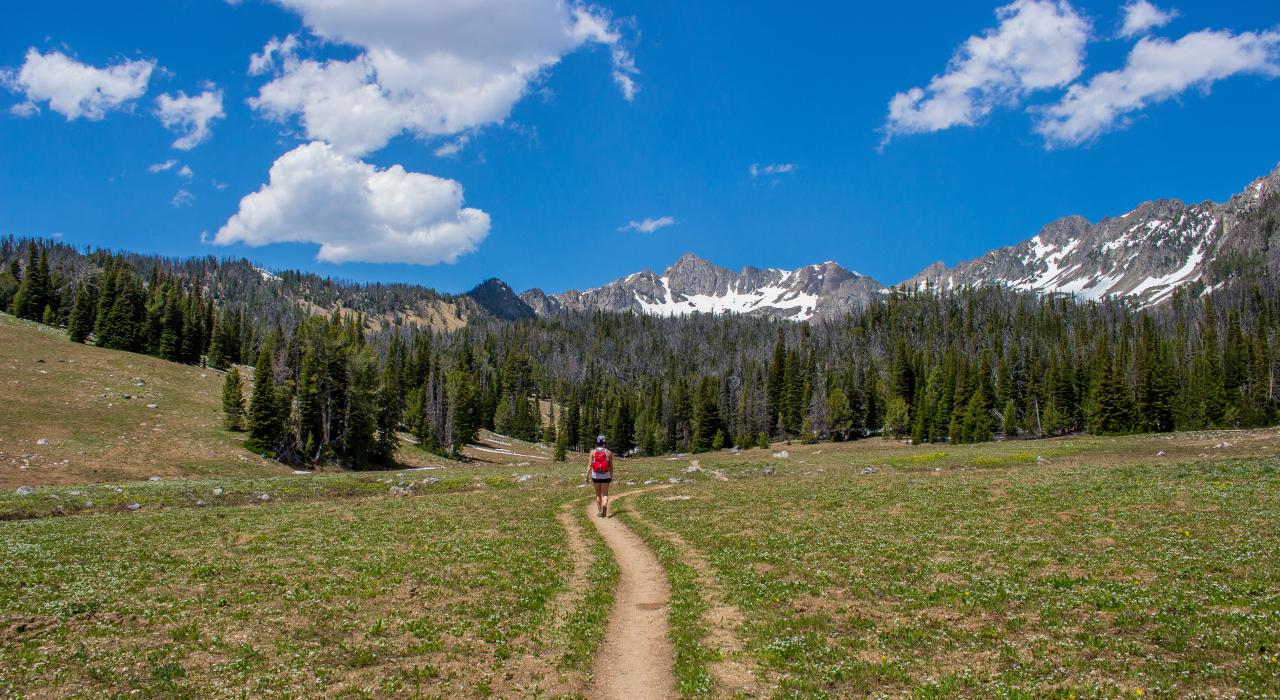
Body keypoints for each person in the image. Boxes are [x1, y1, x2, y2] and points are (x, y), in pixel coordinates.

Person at [586, 434, 614, 517]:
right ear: (605, 442)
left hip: (596, 476)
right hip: (606, 476)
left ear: (597, 442)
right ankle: (604, 505)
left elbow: (590, 465)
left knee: (598, 494)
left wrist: (586, 475)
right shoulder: (609, 452)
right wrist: (611, 476)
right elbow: (611, 466)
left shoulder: (593, 452)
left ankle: (600, 511)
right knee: (605, 494)